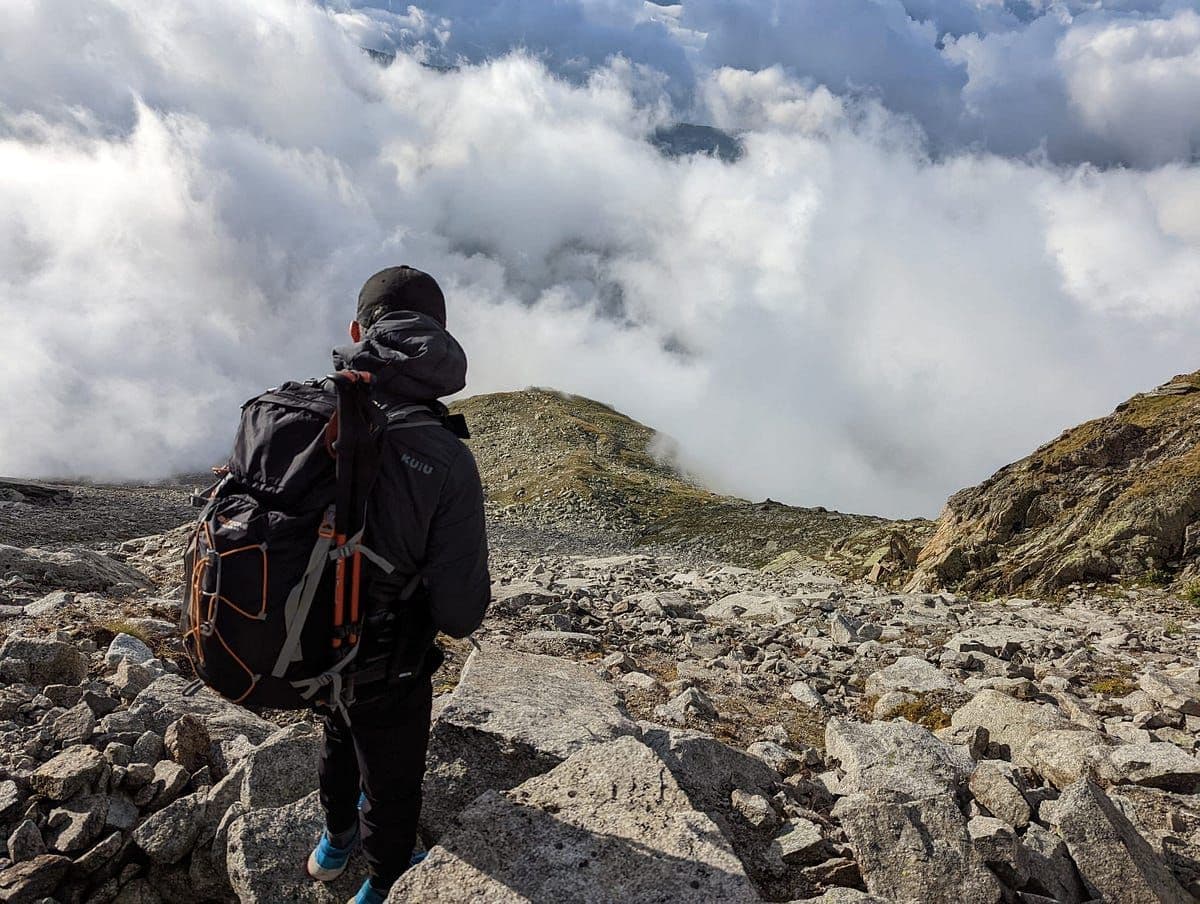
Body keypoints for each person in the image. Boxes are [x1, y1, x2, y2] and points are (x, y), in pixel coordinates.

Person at [304, 266, 490, 904]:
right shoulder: (446, 455)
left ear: (358, 331)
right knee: (393, 774)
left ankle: (333, 842)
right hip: (391, 661)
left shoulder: (309, 412)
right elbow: (463, 611)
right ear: (440, 340)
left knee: (336, 733)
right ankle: (386, 880)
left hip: (306, 643)